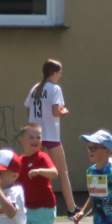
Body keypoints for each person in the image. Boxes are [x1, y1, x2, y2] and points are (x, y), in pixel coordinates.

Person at [15, 125, 75, 224]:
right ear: (22, 141)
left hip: (44, 207)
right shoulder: (19, 161)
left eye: (38, 137)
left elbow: (54, 173)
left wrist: (40, 171)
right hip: (26, 208)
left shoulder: (42, 157)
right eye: (31, 137)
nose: (35, 140)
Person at [26, 59, 77, 215]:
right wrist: (65, 111)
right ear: (54, 73)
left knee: (35, 171)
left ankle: (32, 206)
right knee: (62, 171)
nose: (60, 75)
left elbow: (28, 110)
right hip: (51, 136)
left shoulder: (35, 88)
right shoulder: (55, 88)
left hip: (36, 136)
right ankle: (71, 208)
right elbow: (56, 112)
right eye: (60, 72)